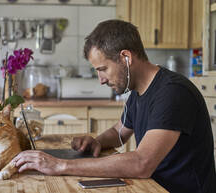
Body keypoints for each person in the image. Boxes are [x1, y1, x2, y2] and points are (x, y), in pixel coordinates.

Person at [13, 20, 216, 193]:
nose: (101, 80)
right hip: (151, 186)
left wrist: (60, 165)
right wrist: (97, 141)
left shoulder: (173, 92)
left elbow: (141, 163)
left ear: (126, 58)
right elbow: (119, 132)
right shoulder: (138, 92)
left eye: (103, 69)